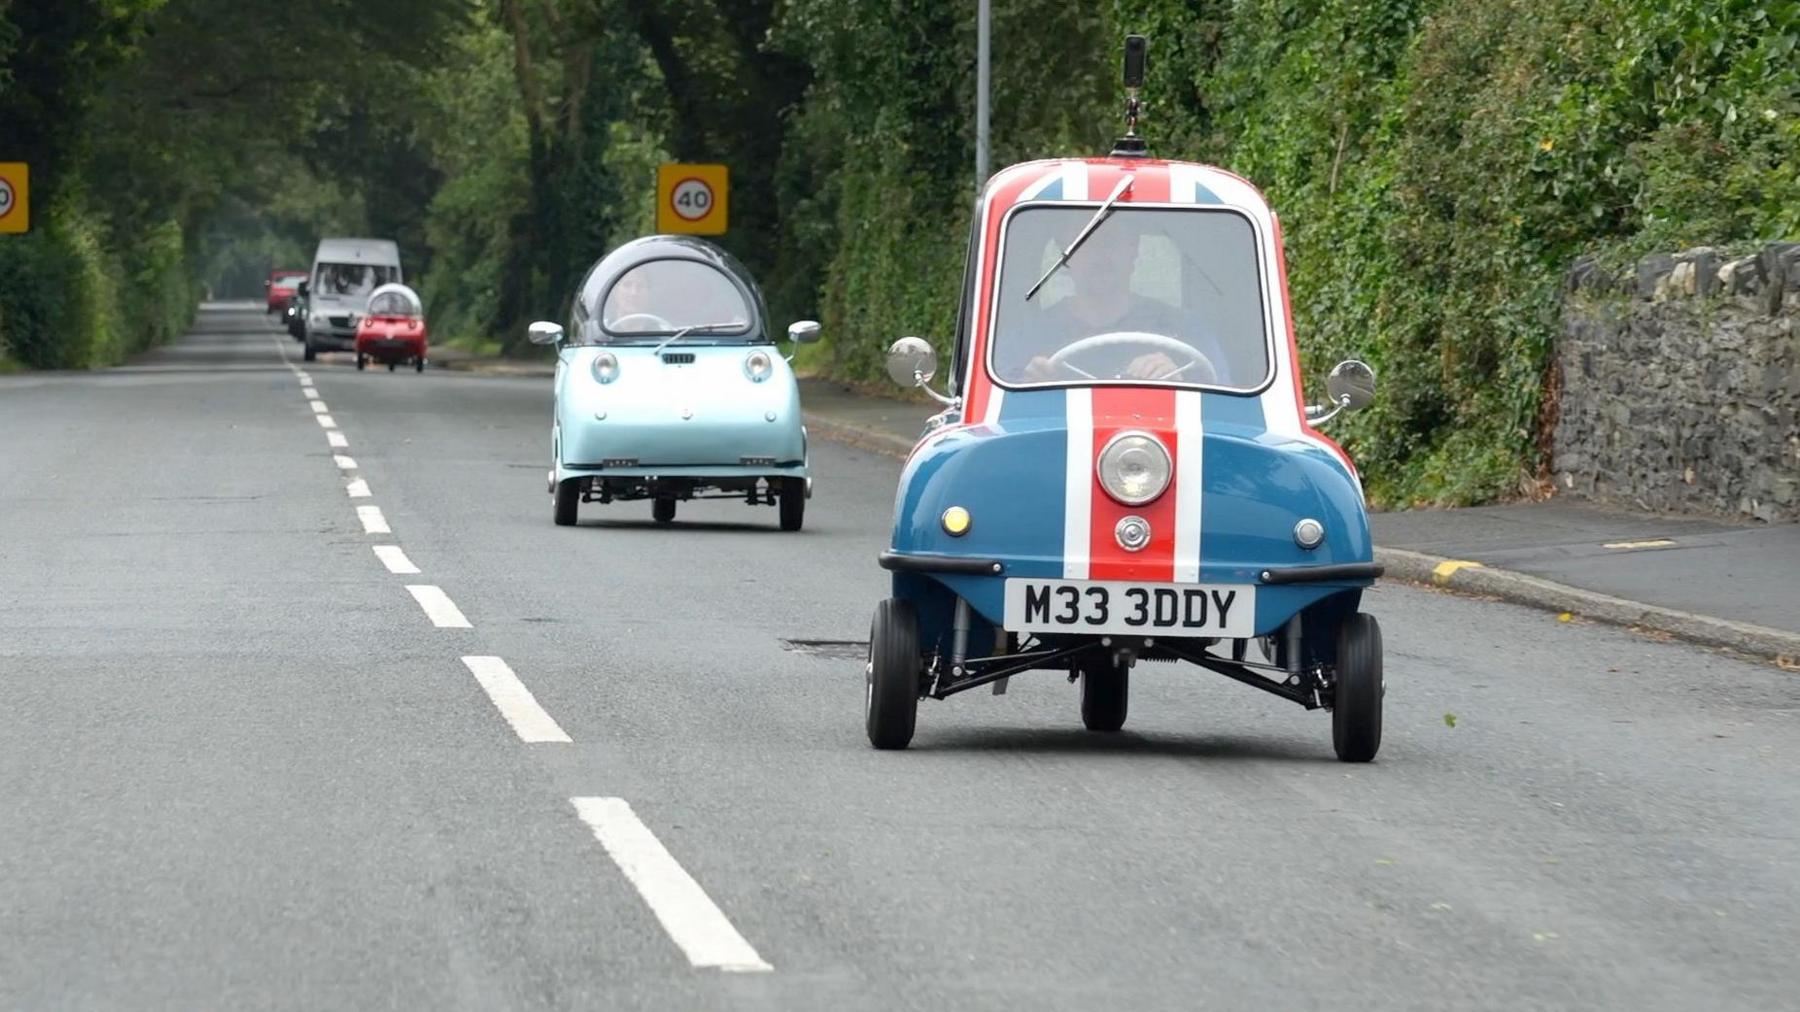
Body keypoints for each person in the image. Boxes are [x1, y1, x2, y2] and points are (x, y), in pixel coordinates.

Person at [1000, 220, 1223, 384]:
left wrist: (1179, 380)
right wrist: (1028, 384)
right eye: (1085, 242)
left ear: (1133, 250)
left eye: (1111, 241)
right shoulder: (1026, 339)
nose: (1100, 255)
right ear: (1065, 256)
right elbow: (999, 413)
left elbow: (1224, 409)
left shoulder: (1187, 332)